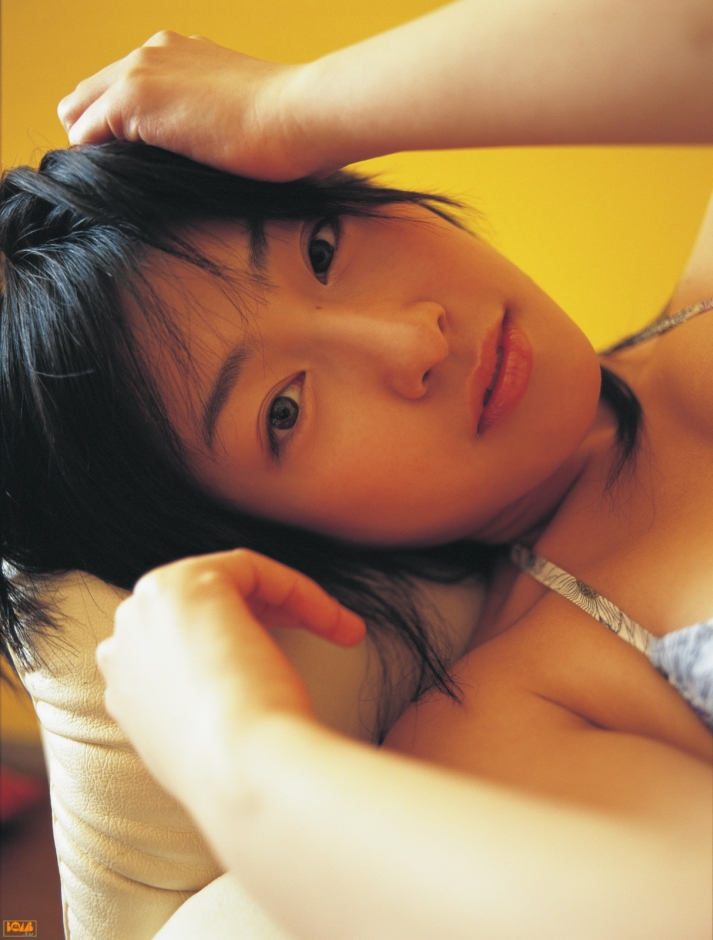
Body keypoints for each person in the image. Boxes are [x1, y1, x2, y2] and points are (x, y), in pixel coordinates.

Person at [2, 0, 712, 937]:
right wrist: (234, 761)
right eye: (284, 411)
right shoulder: (525, 717)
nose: (412, 340)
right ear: (263, 535)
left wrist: (290, 105)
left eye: (322, 247)